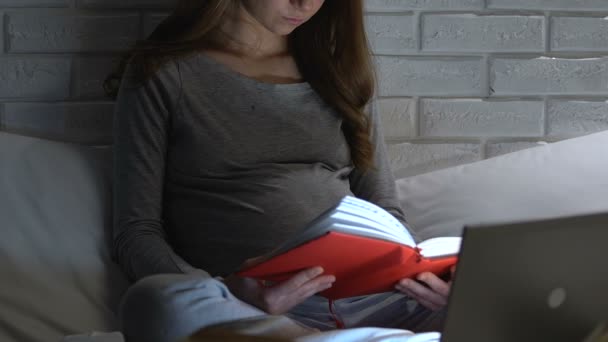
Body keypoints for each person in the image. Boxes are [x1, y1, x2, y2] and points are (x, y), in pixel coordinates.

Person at [105, 1, 454, 341]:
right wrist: (229, 291)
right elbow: (136, 232)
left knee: (492, 295)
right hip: (254, 308)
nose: (304, 4)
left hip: (375, 298)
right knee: (152, 302)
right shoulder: (165, 71)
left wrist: (428, 280)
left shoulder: (338, 69)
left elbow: (384, 208)